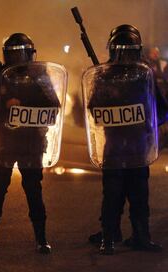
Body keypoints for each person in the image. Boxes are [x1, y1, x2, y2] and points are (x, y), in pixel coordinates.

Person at [0, 33, 61, 254]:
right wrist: (4, 106)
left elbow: (53, 106)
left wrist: (26, 105)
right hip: (4, 143)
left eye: (18, 53)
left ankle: (41, 239)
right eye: (11, 54)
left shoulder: (39, 76)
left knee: (34, 192)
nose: (16, 58)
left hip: (31, 144)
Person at [86, 24, 162, 255]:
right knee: (138, 195)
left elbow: (92, 111)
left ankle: (109, 238)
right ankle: (140, 237)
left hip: (114, 148)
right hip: (138, 147)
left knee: (112, 194)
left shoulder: (102, 77)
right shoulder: (143, 77)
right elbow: (163, 112)